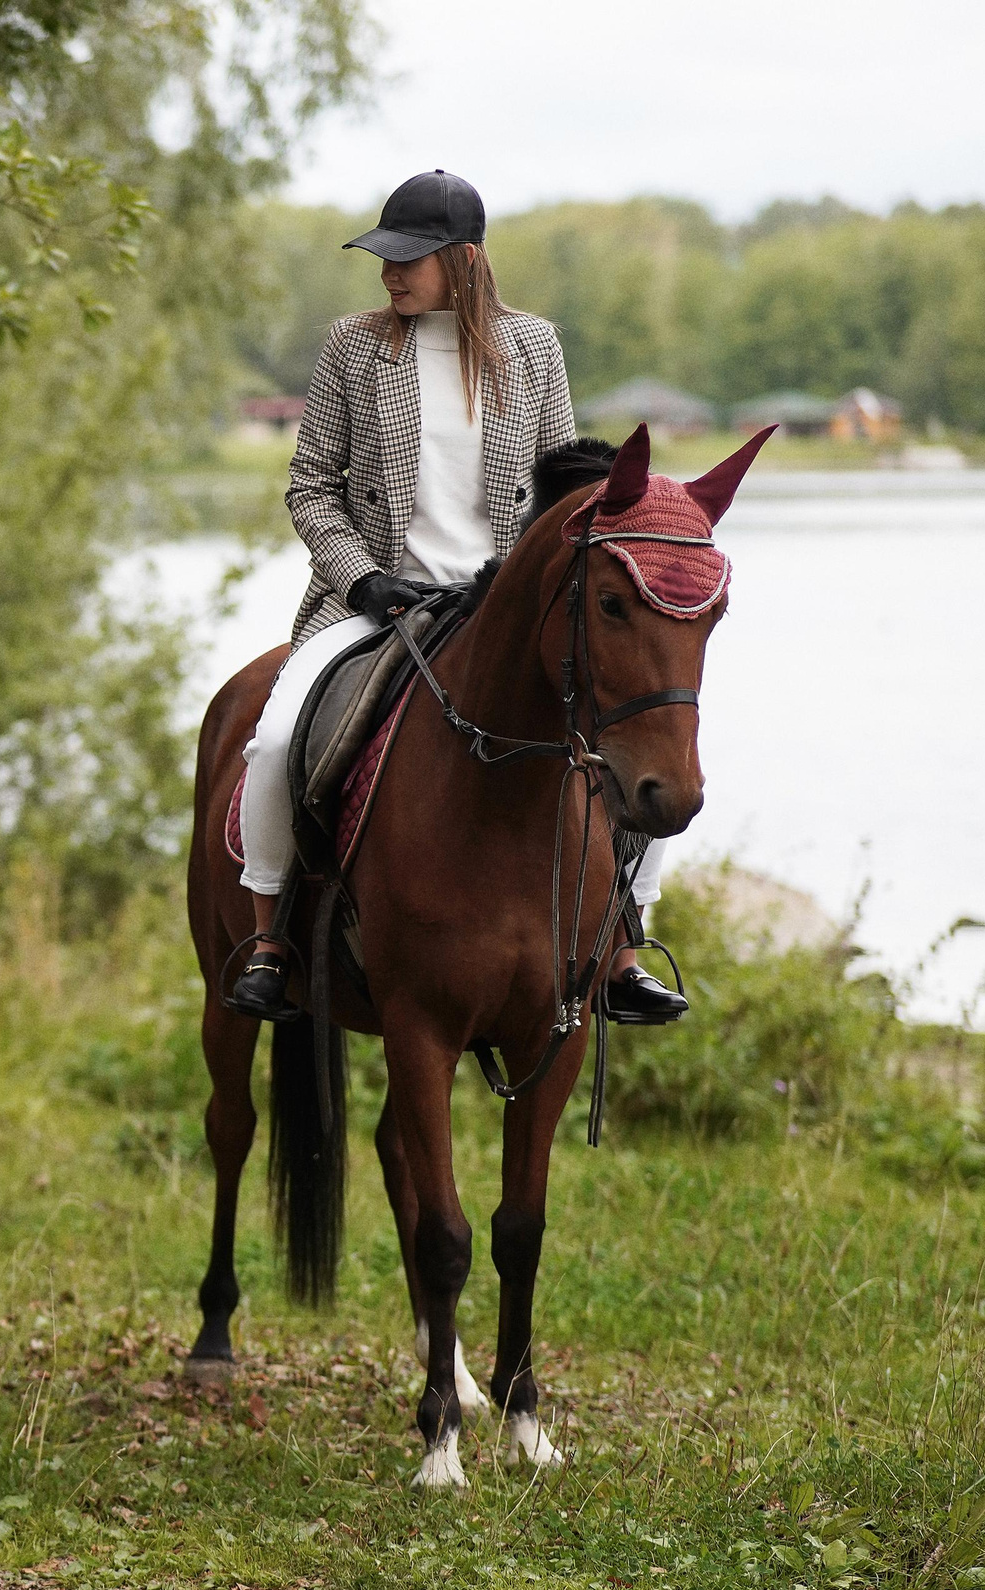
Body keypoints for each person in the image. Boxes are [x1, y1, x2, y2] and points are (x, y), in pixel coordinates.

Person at [228, 169, 686, 1026]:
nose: (388, 273)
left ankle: (624, 944)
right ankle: (269, 938)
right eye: (383, 258)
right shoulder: (352, 348)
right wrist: (363, 577)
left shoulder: (534, 347)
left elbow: (562, 491)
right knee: (277, 735)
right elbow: (311, 485)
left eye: (408, 259)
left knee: (632, 738)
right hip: (374, 606)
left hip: (501, 613)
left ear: (464, 260)